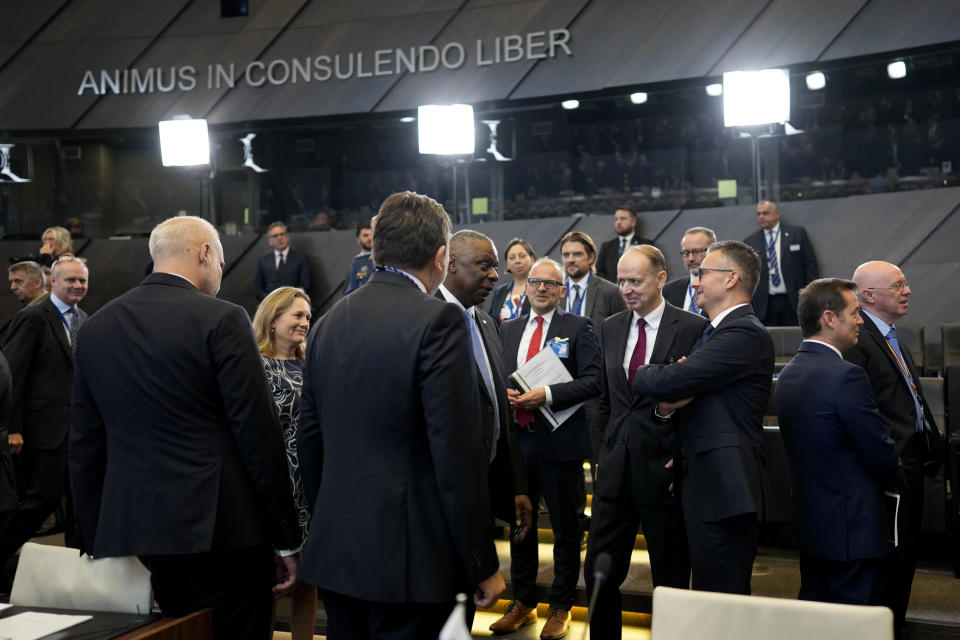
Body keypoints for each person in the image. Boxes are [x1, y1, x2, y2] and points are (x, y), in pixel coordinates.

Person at [69, 216, 300, 640]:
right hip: (224, 530)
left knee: (176, 633)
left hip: (140, 530)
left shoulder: (96, 327)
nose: (219, 274)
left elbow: (85, 440)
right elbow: (257, 433)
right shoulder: (223, 319)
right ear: (205, 253)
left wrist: (95, 531)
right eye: (221, 262)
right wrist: (286, 536)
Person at [298, 192, 504, 640]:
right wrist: (481, 561)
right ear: (440, 256)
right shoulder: (439, 321)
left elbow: (308, 441)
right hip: (413, 563)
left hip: (338, 555)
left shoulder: (327, 324)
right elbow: (455, 454)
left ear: (376, 250)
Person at [632, 240, 773, 595]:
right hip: (705, 483)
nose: (694, 282)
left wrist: (657, 373)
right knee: (710, 595)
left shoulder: (742, 332)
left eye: (702, 273)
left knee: (722, 600)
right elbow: (674, 389)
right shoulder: (713, 332)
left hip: (725, 489)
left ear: (730, 279)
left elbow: (659, 380)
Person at [585, 245, 706, 640]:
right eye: (621, 281)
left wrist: (682, 459)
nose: (627, 289)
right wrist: (604, 451)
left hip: (666, 472)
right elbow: (605, 400)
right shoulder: (611, 326)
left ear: (660, 278)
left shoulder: (691, 327)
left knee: (670, 579)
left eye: (635, 280)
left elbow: (698, 405)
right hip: (614, 472)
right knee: (599, 575)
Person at [490, 258, 601, 639]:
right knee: (521, 525)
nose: (541, 288)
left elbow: (593, 381)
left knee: (567, 529)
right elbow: (498, 375)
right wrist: (503, 392)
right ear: (527, 284)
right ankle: (522, 601)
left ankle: (561, 604)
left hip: (560, 443)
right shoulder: (509, 328)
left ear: (562, 290)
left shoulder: (579, 327)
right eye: (536, 281)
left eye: (550, 284)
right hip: (517, 443)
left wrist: (548, 394)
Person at [778, 278, 902, 605]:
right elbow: (878, 450)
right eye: (855, 312)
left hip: (813, 525)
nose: (861, 320)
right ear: (829, 319)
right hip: (853, 528)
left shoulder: (789, 373)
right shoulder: (846, 375)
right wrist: (901, 482)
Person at [438, 230, 534, 622]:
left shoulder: (486, 322)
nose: (495, 275)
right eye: (484, 265)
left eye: (496, 266)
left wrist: (515, 486)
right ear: (448, 264)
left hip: (482, 488)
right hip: (442, 503)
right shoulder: (426, 321)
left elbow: (499, 412)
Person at [844, 261, 943, 640]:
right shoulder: (859, 337)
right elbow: (863, 410)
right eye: (898, 285)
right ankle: (885, 628)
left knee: (907, 554)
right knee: (891, 559)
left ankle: (894, 623)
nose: (908, 290)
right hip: (888, 469)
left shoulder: (889, 334)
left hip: (911, 459)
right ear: (869, 295)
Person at [0, 254, 89, 561]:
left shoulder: (83, 319)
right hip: (40, 434)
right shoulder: (34, 317)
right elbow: (13, 375)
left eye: (82, 281)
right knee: (41, 501)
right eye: (70, 280)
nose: (77, 285)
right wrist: (13, 428)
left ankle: (80, 564)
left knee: (80, 503)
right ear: (53, 281)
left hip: (75, 433)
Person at [252, 287, 317, 640]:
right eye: (297, 315)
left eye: (308, 316)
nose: (305, 322)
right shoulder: (252, 365)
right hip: (271, 486)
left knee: (307, 580)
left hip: (309, 486)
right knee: (268, 580)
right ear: (273, 319)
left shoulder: (312, 364)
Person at [743, 200, 819, 326]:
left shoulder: (797, 234)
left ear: (776, 214)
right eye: (759, 214)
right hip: (765, 304)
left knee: (794, 338)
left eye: (765, 213)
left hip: (793, 300)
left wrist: (811, 295)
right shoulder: (750, 241)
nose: (761, 217)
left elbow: (810, 266)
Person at [560, 231, 625, 330]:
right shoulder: (554, 291)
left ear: (591, 257)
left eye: (577, 254)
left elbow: (621, 331)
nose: (570, 260)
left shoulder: (611, 292)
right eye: (566, 255)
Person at [663, 227, 716, 315]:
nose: (691, 258)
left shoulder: (724, 288)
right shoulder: (669, 290)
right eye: (686, 253)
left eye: (697, 251)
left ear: (713, 251)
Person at [255, 222, 312, 302]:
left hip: (292, 305)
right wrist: (270, 301)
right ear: (270, 241)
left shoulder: (301, 259)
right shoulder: (263, 261)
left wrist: (289, 300)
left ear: (287, 237)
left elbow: (306, 286)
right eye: (275, 235)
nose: (279, 238)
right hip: (269, 307)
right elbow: (258, 289)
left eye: (282, 234)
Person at [596, 205, 654, 282]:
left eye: (623, 218)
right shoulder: (607, 247)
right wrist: (610, 288)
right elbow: (599, 271)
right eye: (616, 219)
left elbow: (650, 271)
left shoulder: (645, 245)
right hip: (610, 291)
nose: (618, 222)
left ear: (633, 222)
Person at [487, 238, 535, 325]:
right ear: (507, 264)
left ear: (532, 259)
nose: (517, 261)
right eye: (512, 258)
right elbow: (491, 322)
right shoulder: (499, 292)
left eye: (522, 256)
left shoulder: (538, 290)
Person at [344, 219, 374, 295]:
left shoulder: (384, 259)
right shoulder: (356, 263)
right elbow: (350, 291)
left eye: (372, 235)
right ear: (358, 240)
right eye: (365, 235)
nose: (369, 238)